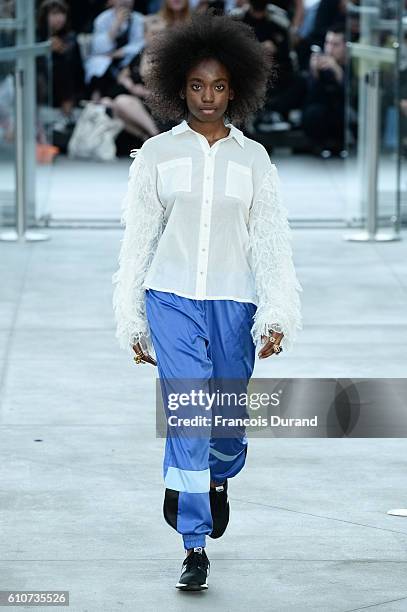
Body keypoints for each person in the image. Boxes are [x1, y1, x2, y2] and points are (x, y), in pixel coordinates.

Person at [112, 11, 302, 591]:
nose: (208, 97)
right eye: (197, 85)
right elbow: (138, 241)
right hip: (171, 298)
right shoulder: (157, 156)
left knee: (224, 423)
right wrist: (133, 317)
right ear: (177, 88)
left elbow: (271, 245)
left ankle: (216, 478)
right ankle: (194, 545)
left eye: (219, 86)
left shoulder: (254, 160)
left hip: (233, 303)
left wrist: (276, 310)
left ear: (236, 88)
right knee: (190, 414)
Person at [85, 0, 145, 99]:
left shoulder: (139, 19)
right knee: (98, 64)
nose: (125, 2)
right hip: (107, 61)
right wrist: (116, 25)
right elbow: (98, 48)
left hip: (128, 60)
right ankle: (98, 98)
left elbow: (140, 44)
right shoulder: (102, 19)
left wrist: (121, 52)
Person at [301, 23, 347, 155]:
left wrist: (338, 72)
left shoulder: (350, 64)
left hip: (342, 114)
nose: (330, 49)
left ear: (345, 46)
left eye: (335, 44)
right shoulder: (321, 63)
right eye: (328, 43)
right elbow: (311, 96)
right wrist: (314, 73)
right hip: (322, 111)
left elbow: (352, 96)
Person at [37, 0, 85, 118]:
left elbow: (78, 70)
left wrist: (62, 51)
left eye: (62, 14)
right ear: (45, 16)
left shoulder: (71, 37)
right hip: (43, 88)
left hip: (68, 90)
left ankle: (68, 103)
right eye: (54, 14)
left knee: (61, 64)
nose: (60, 18)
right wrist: (46, 50)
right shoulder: (36, 36)